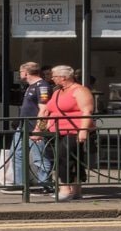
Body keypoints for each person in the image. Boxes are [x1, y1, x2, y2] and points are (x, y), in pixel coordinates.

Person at [38, 65, 94, 201]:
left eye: (54, 76)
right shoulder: (57, 92)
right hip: (57, 131)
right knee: (67, 159)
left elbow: (87, 111)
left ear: (63, 77)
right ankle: (76, 191)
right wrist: (39, 129)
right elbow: (47, 111)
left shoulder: (80, 90)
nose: (52, 78)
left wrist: (83, 131)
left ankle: (65, 189)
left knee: (66, 159)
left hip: (73, 130)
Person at [8, 63, 52, 192]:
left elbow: (44, 110)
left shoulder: (42, 86)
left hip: (34, 127)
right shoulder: (29, 87)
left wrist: (39, 129)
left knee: (40, 156)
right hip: (23, 126)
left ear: (26, 73)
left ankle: (46, 184)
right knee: (16, 154)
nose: (19, 74)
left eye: (20, 71)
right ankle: (20, 184)